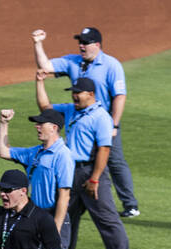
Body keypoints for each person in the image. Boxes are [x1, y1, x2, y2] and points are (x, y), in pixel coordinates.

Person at [36, 72, 138, 249]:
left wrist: (95, 179)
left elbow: (104, 149)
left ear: (91, 94)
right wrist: (39, 82)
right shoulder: (71, 111)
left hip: (91, 172)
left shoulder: (101, 117)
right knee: (63, 217)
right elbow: (46, 109)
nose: (74, 96)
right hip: (69, 172)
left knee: (107, 220)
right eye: (73, 93)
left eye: (77, 93)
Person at [33, 26, 139, 217]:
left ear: (97, 44)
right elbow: (46, 67)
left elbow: (119, 96)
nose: (81, 45)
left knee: (114, 161)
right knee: (77, 161)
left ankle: (130, 204)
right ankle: (77, 201)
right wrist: (37, 43)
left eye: (85, 42)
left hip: (104, 122)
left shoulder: (111, 65)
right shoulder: (73, 62)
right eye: (80, 42)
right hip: (81, 122)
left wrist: (114, 124)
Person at [0, 107, 74, 247]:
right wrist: (4, 123)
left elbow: (65, 195)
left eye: (41, 124)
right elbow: (3, 151)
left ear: (53, 128)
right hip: (34, 215)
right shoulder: (34, 152)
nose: (37, 127)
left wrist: (54, 229)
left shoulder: (63, 155)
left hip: (53, 216)